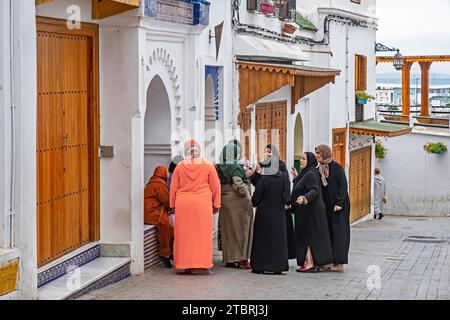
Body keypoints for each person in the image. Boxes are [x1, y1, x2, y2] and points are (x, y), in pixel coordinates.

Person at [169, 139, 221, 275]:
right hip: (202, 204)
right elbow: (216, 186)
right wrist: (216, 204)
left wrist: (172, 205)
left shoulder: (179, 166)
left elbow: (173, 188)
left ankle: (185, 264)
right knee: (202, 235)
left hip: (183, 204)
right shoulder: (208, 165)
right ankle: (201, 265)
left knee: (184, 235)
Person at [250, 145, 290, 275]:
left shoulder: (264, 179)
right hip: (278, 213)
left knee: (262, 240)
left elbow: (255, 200)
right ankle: (278, 266)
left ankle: (260, 266)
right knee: (278, 239)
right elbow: (287, 194)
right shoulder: (283, 177)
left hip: (264, 214)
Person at [291, 152, 334, 273]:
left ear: (309, 161)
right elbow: (302, 186)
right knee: (306, 236)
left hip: (311, 211)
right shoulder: (307, 173)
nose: (301, 161)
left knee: (308, 236)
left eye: (303, 159)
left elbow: (314, 190)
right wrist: (296, 177)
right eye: (300, 158)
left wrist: (305, 198)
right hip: (306, 211)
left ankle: (310, 263)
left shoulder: (310, 174)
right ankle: (309, 261)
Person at [216, 143, 253, 269]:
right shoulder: (235, 167)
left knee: (228, 232)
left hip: (225, 202)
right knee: (242, 231)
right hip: (238, 202)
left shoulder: (219, 166)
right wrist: (247, 191)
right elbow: (238, 184)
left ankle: (230, 259)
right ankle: (242, 259)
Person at [315, 144, 351, 272]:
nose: (317, 156)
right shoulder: (318, 169)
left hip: (339, 206)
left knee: (339, 232)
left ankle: (340, 261)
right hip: (327, 206)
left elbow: (343, 186)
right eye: (316, 153)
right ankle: (328, 260)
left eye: (319, 153)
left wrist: (339, 203)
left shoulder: (337, 168)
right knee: (328, 232)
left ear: (325, 153)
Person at [144, 166, 174, 268]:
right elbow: (167, 201)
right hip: (153, 214)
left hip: (148, 213)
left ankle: (170, 253)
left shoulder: (151, 183)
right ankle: (165, 254)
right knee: (167, 229)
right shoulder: (160, 185)